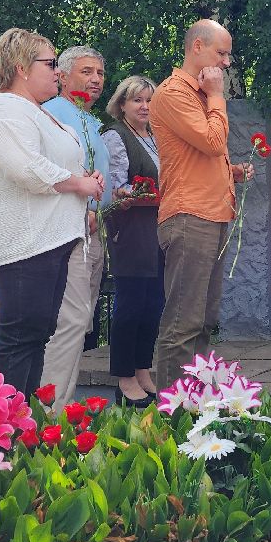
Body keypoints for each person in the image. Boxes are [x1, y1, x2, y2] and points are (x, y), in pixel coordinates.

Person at [0, 28, 104, 399]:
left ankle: (22, 424)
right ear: (21, 67)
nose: (58, 72)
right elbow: (25, 168)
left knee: (37, 334)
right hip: (26, 241)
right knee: (20, 335)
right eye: (50, 63)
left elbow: (53, 163)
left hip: (52, 238)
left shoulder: (36, 113)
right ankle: (1, 432)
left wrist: (83, 180)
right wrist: (79, 184)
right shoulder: (1, 109)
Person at [150, 19, 254, 388]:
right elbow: (212, 140)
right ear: (197, 47)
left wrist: (232, 173)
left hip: (211, 215)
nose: (226, 62)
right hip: (188, 216)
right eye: (221, 53)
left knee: (205, 320)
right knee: (183, 322)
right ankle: (173, 414)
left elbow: (200, 156)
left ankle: (196, 403)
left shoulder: (196, 93)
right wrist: (216, 95)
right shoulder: (175, 93)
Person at [39, 45, 113, 406]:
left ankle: (62, 407)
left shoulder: (85, 118)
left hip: (90, 227)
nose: (95, 79)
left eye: (99, 73)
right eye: (86, 72)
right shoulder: (55, 114)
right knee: (67, 321)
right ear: (62, 76)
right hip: (70, 228)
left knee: (80, 320)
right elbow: (50, 172)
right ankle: (49, 413)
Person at [101, 75, 163, 405]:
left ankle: (142, 369)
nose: (144, 106)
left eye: (150, 101)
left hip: (157, 229)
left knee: (152, 305)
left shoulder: (154, 135)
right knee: (130, 306)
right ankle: (124, 377)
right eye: (137, 100)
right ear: (122, 104)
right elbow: (116, 189)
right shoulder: (115, 135)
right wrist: (129, 192)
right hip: (130, 231)